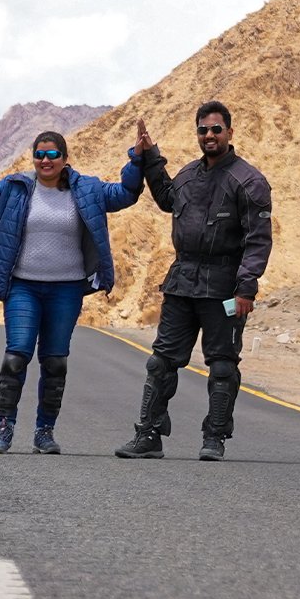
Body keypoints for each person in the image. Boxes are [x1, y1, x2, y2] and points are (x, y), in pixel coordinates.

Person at [0, 130, 144, 455]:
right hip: (22, 285)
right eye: (40, 154)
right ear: (33, 158)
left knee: (55, 361)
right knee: (17, 355)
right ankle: (4, 425)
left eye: (53, 154)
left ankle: (45, 430)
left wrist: (138, 158)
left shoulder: (87, 190)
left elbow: (126, 193)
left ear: (65, 158)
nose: (46, 160)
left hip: (66, 289)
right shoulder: (13, 188)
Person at [116, 101, 272, 462]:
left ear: (230, 133)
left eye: (216, 129)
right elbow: (168, 199)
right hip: (182, 280)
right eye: (203, 130)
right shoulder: (187, 176)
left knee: (221, 365)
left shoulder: (249, 181)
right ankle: (148, 435)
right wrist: (151, 156)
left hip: (225, 287)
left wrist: (246, 287)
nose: (209, 135)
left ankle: (214, 438)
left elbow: (258, 239)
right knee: (161, 362)